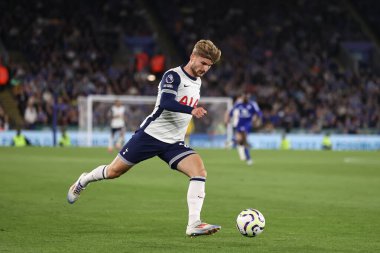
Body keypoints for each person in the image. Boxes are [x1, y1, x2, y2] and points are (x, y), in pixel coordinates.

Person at [67, 40, 222, 237]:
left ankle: (194, 224)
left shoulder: (197, 81)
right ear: (192, 56)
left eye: (209, 65)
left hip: (173, 143)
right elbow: (166, 102)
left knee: (199, 171)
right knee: (114, 171)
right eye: (203, 63)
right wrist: (192, 109)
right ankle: (83, 180)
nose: (205, 68)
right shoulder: (173, 76)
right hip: (150, 136)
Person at [226, 94, 262, 165]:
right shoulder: (238, 104)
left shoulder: (252, 104)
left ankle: (232, 141)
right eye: (244, 97)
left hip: (247, 124)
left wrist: (257, 120)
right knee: (242, 141)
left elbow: (259, 113)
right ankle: (248, 158)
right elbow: (231, 112)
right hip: (239, 124)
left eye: (246, 97)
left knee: (243, 139)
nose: (245, 99)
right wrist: (228, 118)